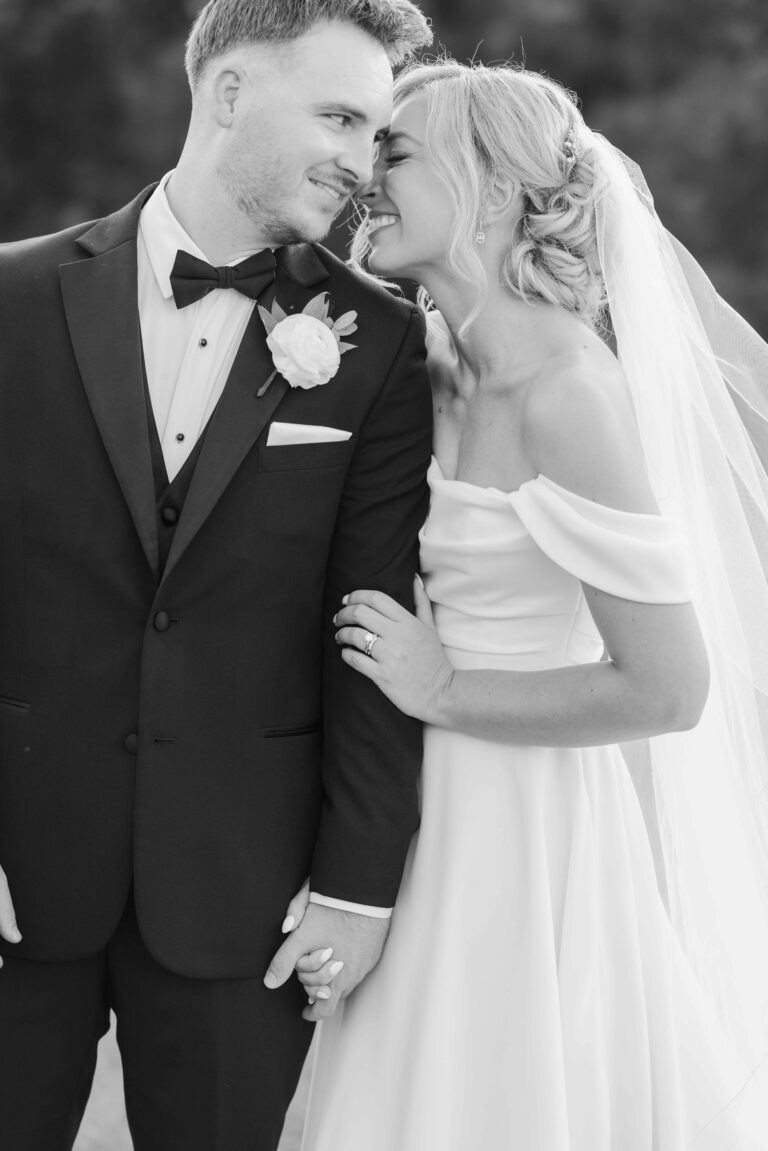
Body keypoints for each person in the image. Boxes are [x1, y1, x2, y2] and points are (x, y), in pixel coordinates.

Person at [289, 62, 768, 1149]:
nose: (371, 173)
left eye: (399, 150)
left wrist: (445, 682)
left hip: (519, 829)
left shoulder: (570, 398)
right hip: (403, 810)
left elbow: (668, 684)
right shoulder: (423, 363)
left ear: (494, 189)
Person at [0, 1, 434, 1148]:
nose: (359, 161)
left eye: (377, 133)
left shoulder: (380, 342)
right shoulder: (10, 298)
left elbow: (374, 623)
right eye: (338, 115)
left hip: (244, 891)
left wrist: (357, 885)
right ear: (230, 94)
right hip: (15, 866)